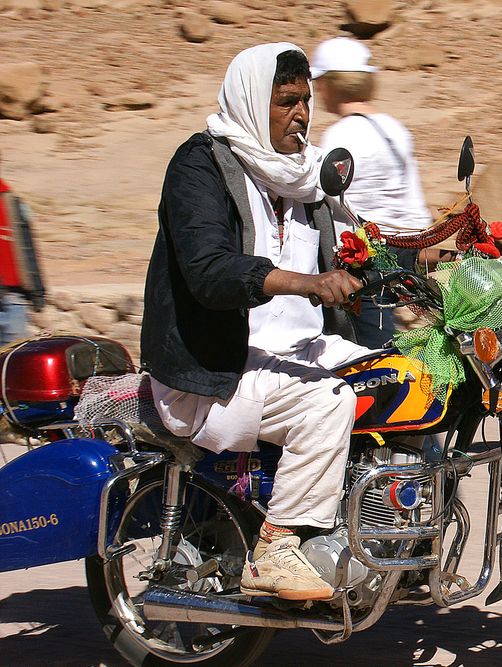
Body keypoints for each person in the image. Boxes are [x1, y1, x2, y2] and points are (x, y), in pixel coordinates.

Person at [141, 43, 373, 601]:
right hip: (215, 368)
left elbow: (361, 244)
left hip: (295, 352)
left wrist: (443, 249)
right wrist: (308, 283)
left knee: (400, 377)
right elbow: (210, 270)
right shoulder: (200, 165)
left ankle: (374, 526)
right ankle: (276, 546)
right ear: (250, 101)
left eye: (305, 101)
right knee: (329, 401)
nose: (300, 114)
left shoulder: (303, 178)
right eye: (286, 101)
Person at [310, 37, 432, 347]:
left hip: (364, 263)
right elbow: (414, 203)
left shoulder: (341, 135)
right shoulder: (395, 129)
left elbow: (323, 199)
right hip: (406, 252)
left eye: (321, 82)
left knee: (366, 352)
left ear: (333, 84)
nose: (318, 90)